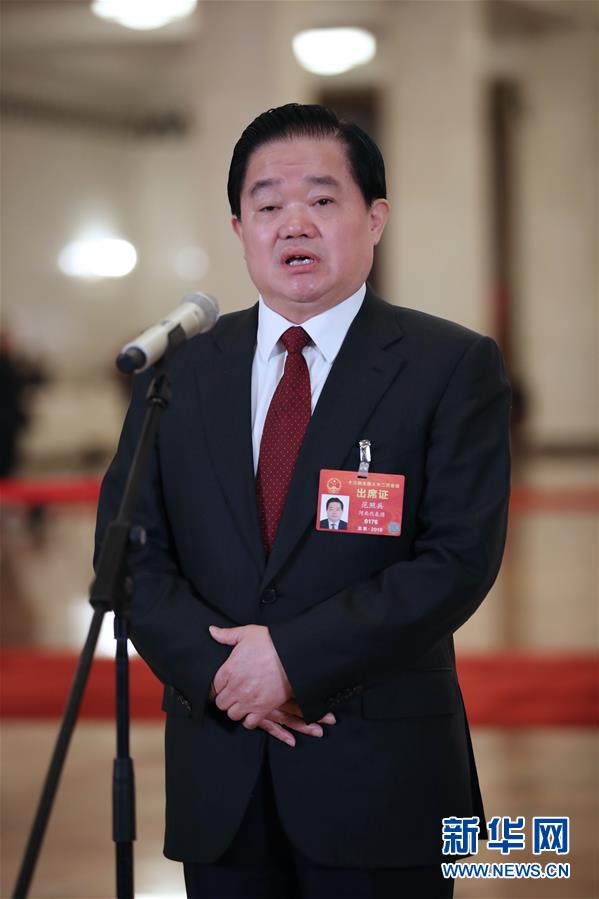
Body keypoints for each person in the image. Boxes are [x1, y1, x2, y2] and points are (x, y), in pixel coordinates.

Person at [95, 103, 511, 898]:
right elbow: (132, 554)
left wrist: (292, 660)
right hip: (221, 770)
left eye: (322, 199)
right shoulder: (179, 373)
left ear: (374, 217)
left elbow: (456, 559)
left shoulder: (448, 365)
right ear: (238, 227)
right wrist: (226, 674)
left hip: (381, 772)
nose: (294, 223)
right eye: (267, 205)